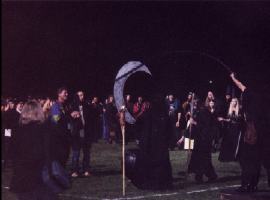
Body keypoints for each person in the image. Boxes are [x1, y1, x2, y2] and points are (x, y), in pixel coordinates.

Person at [9, 100, 58, 200]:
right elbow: (49, 153)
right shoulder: (43, 129)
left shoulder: (17, 130)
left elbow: (12, 153)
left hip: (22, 178)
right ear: (38, 112)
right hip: (39, 177)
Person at [230, 73, 262, 192]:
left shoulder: (250, 95)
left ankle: (246, 184)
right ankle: (252, 184)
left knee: (246, 159)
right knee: (255, 160)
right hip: (256, 131)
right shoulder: (259, 94)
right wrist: (233, 78)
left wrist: (233, 78)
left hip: (250, 132)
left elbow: (242, 87)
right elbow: (241, 86)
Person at [188, 99, 218, 183]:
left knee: (203, 159)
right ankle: (200, 176)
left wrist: (194, 123)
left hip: (204, 139)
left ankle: (208, 175)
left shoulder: (204, 113)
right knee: (200, 159)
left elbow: (206, 126)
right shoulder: (199, 112)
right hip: (199, 139)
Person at [70, 91, 92, 178]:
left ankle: (86, 169)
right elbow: (69, 118)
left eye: (83, 95)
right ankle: (74, 170)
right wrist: (72, 115)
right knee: (76, 152)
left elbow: (91, 118)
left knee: (86, 152)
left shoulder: (87, 106)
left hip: (86, 132)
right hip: (77, 132)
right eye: (80, 95)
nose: (82, 97)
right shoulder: (72, 106)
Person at [49, 87, 72, 167]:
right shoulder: (56, 105)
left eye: (67, 92)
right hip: (58, 138)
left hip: (65, 136)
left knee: (65, 158)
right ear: (59, 94)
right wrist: (69, 116)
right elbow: (56, 118)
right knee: (60, 159)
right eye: (65, 92)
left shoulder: (66, 106)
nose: (67, 94)